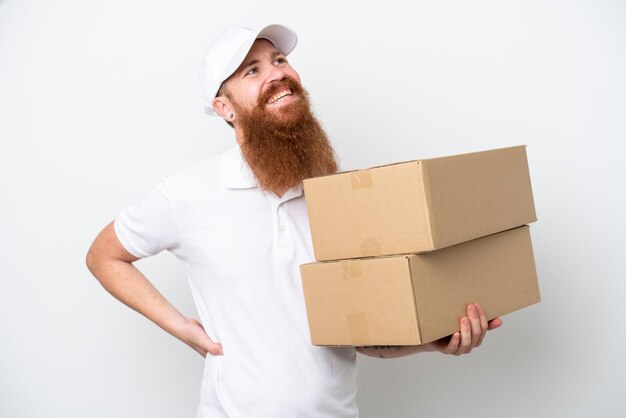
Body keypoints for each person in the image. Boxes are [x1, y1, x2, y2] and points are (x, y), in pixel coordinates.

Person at [85, 23, 503, 418]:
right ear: (224, 108)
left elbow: (359, 336)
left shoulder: (339, 199)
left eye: (280, 60)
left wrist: (432, 341)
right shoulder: (187, 194)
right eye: (253, 70)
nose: (276, 74)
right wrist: (184, 329)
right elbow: (104, 256)